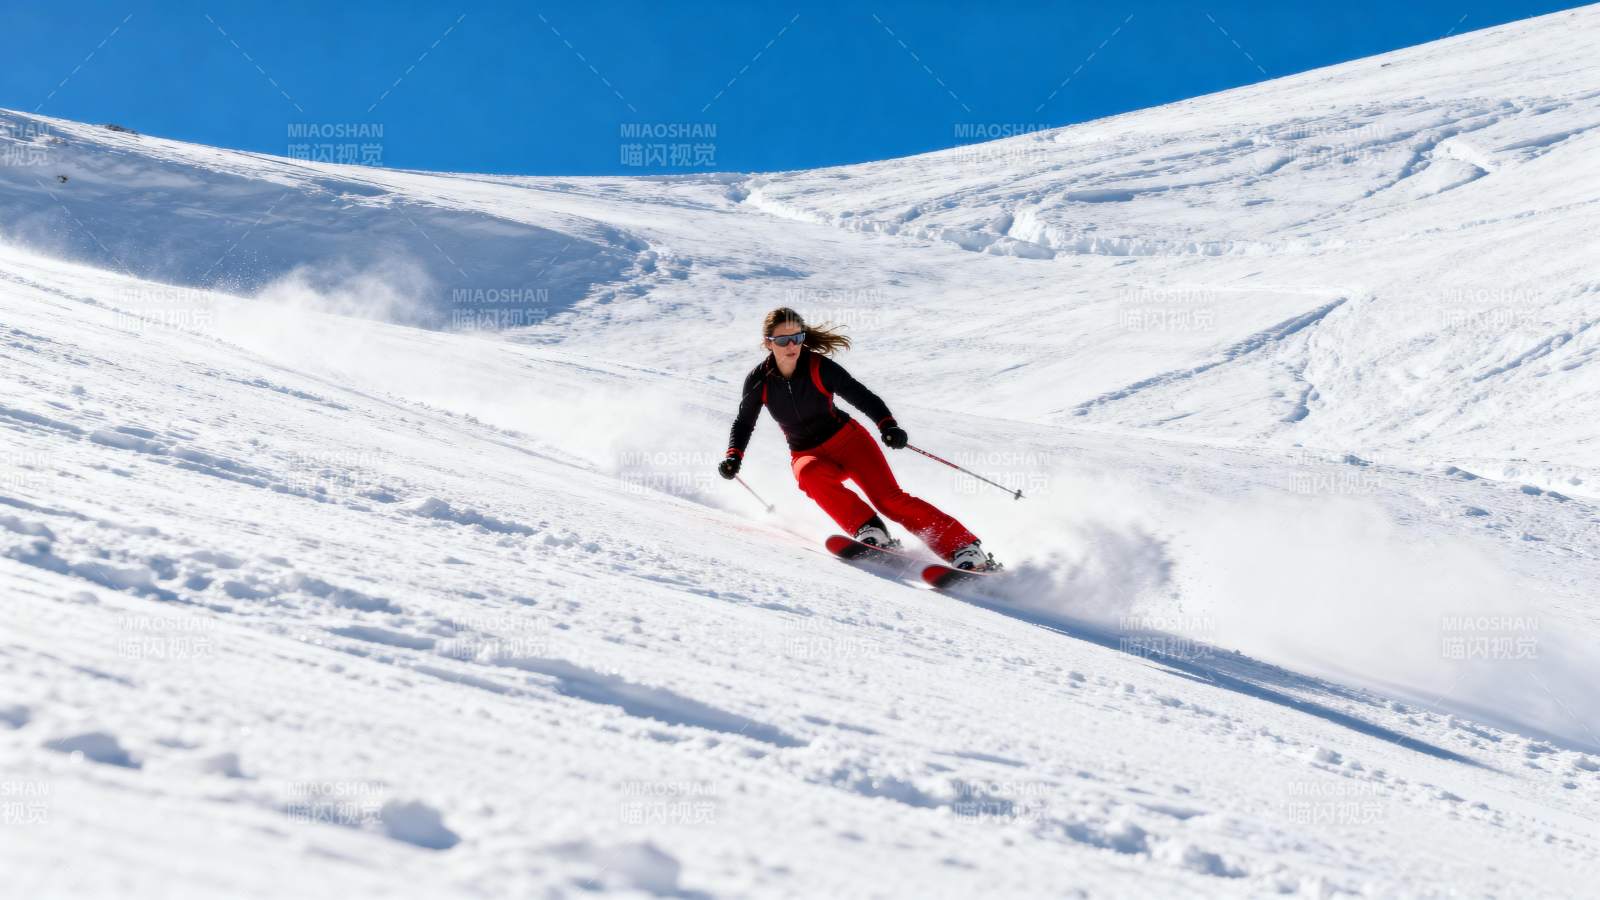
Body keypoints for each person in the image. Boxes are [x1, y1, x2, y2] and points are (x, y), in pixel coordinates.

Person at [717, 307, 997, 571]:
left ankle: (965, 549)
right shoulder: (759, 380)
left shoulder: (818, 367)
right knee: (808, 474)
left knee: (889, 499)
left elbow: (860, 395)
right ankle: (870, 530)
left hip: (848, 442)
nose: (792, 345)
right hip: (806, 451)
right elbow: (744, 422)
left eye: (797, 338)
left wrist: (887, 425)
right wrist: (734, 456)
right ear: (768, 343)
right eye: (783, 340)